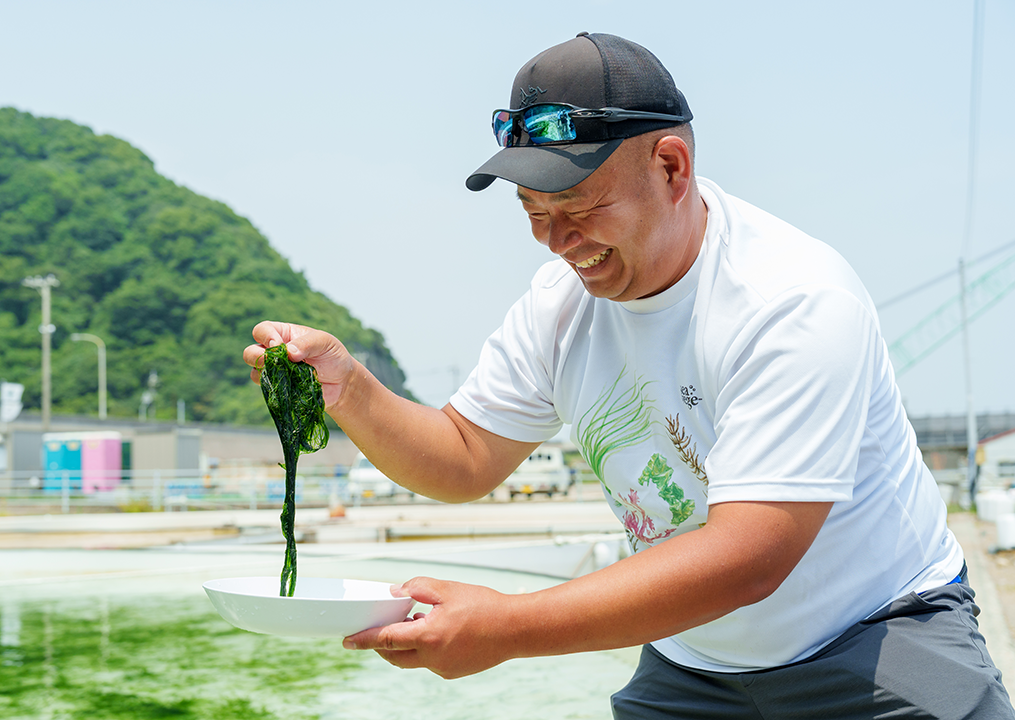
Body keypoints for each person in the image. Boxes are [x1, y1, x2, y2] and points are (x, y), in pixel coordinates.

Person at [244, 32, 1014, 719]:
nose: (557, 241)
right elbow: (463, 456)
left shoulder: (791, 297)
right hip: (692, 661)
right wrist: (350, 388)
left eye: (577, 203)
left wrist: (506, 627)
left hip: (873, 639)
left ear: (671, 166)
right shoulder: (560, 305)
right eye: (532, 212)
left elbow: (749, 556)